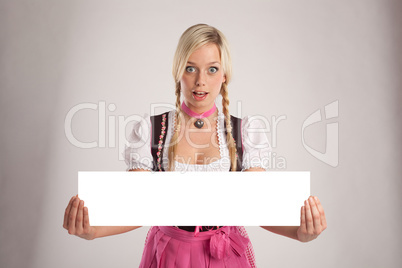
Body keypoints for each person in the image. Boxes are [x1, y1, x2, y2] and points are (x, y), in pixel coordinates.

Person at [63, 23, 327, 267]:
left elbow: (257, 206)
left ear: (224, 75)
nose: (201, 80)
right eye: (191, 68)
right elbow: (137, 207)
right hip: (170, 255)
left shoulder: (245, 132)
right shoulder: (153, 130)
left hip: (225, 256)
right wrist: (92, 231)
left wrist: (299, 233)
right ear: (179, 71)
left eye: (212, 69)